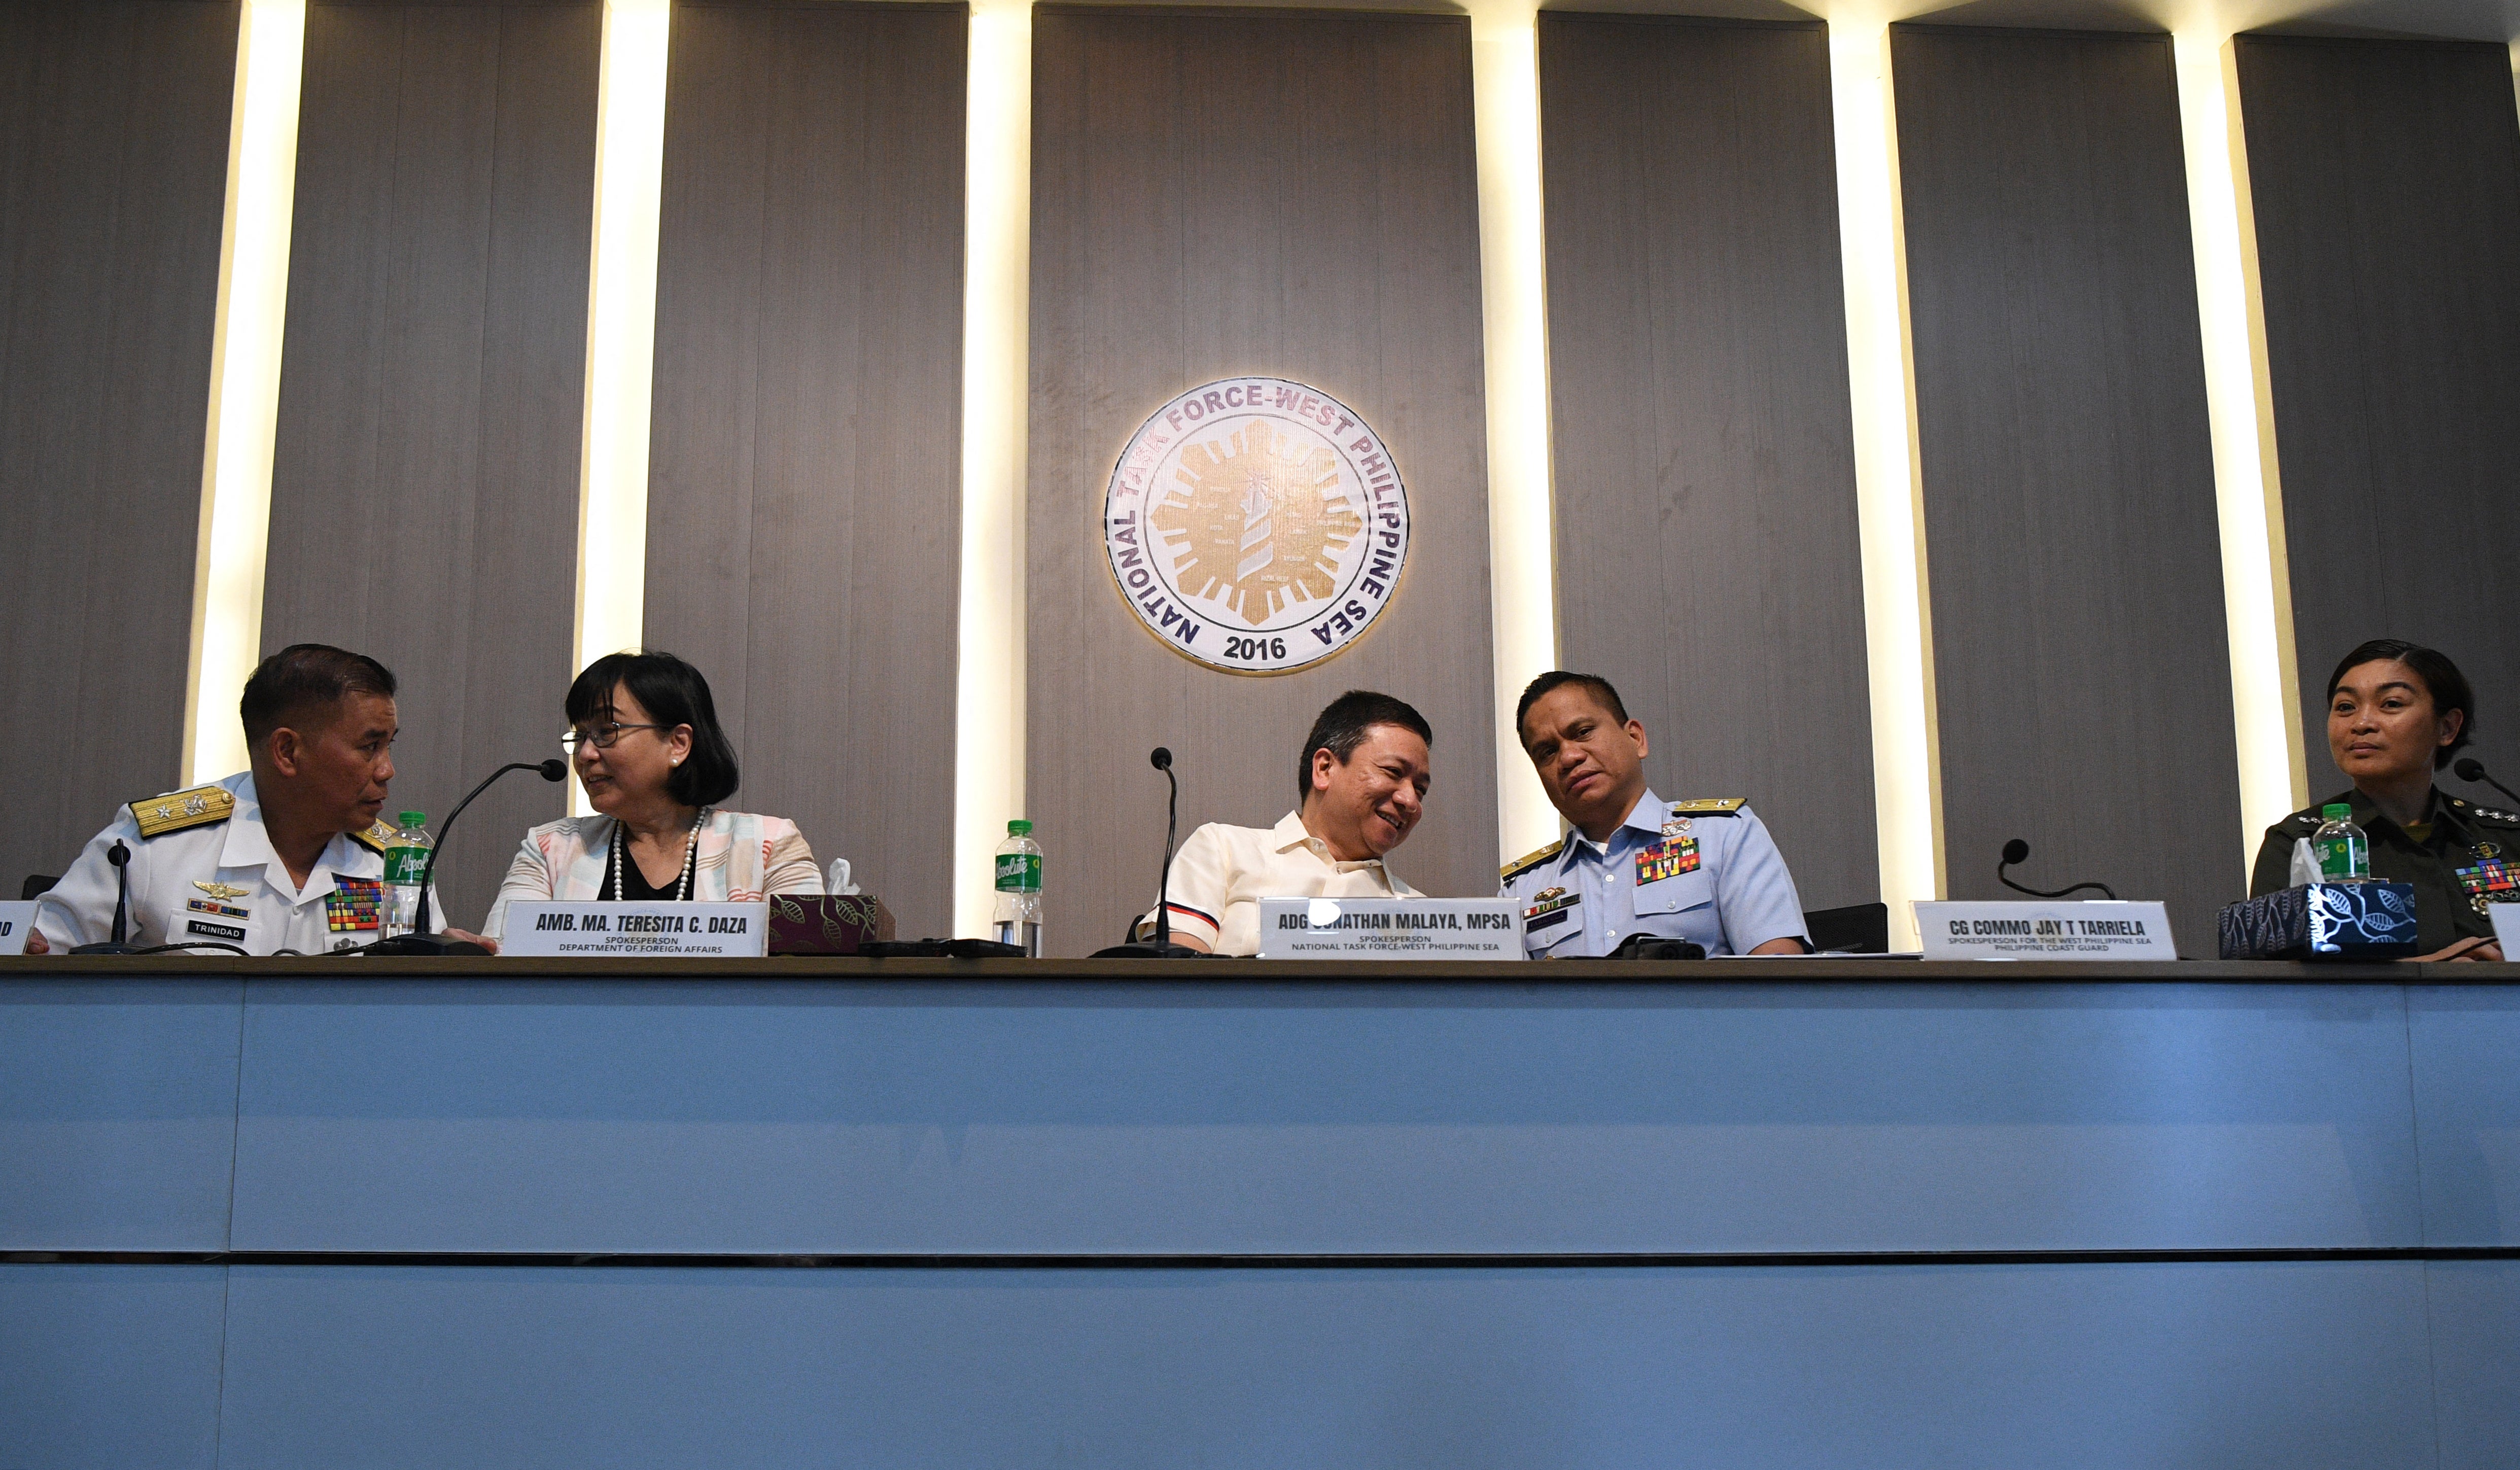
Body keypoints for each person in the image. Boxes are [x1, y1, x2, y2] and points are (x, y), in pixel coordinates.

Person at [29, 644, 431, 956]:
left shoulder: (395, 862)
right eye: (370, 747)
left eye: (389, 746)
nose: (386, 770)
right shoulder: (154, 847)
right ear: (288, 752)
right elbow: (42, 959)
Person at [477, 651, 822, 946]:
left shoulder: (768, 846)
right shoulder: (551, 849)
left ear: (678, 744)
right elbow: (503, 962)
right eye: (580, 735)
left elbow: (805, 968)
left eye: (606, 731)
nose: (585, 753)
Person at [1502, 671, 1808, 957]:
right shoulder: (1522, 891)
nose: (1569, 757)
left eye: (1583, 732)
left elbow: (1779, 981)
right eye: (1547, 752)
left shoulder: (1725, 836)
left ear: (1636, 739)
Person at [2250, 639, 2511, 961]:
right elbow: (2274, 980)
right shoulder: (2301, 842)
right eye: (2346, 707)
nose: (2361, 724)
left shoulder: (2504, 837)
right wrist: (2430, 970)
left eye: (2391, 704)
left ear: (2446, 727)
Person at [1142, 690, 1432, 956]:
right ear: (1325, 769)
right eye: (1393, 772)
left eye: (1421, 790)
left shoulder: (1419, 913)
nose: (1411, 801)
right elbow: (1177, 987)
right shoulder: (1224, 849)